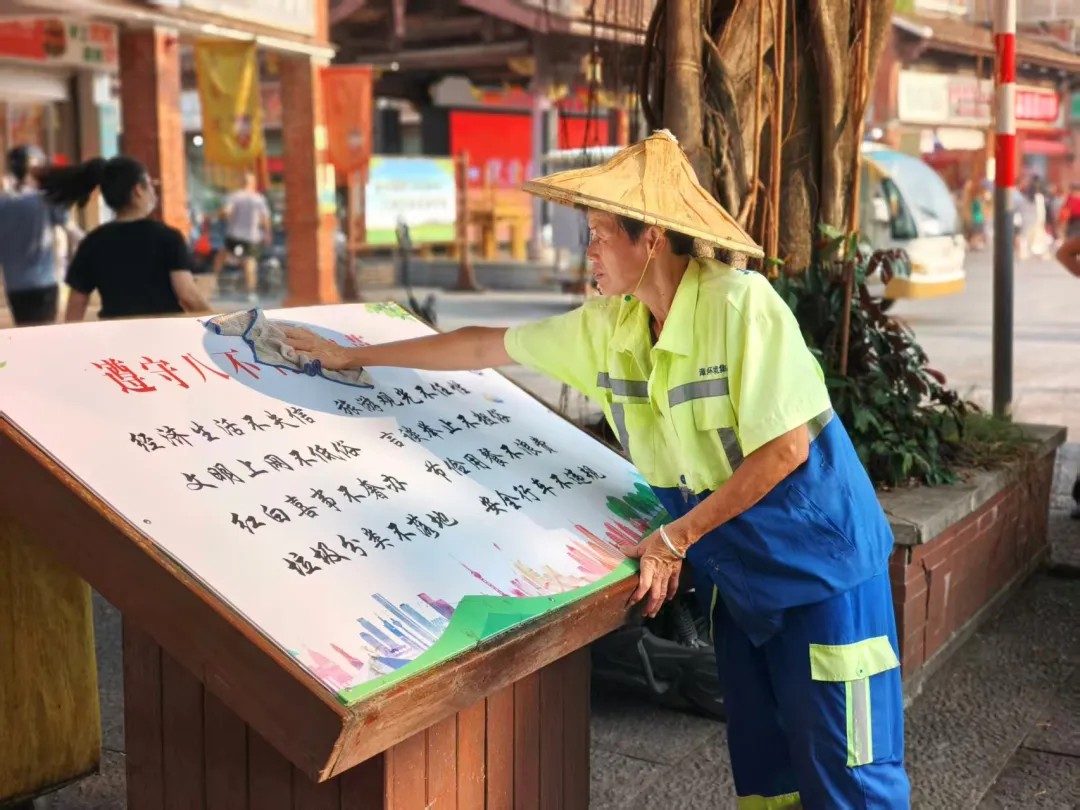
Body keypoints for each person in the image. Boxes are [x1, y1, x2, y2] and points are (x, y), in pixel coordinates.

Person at [284, 131, 910, 808]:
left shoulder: (740, 305)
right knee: (768, 777)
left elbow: (786, 450)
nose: (588, 252)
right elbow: (482, 345)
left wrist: (676, 538)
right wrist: (354, 356)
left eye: (600, 235)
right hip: (741, 582)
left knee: (850, 774)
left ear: (652, 239)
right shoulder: (608, 327)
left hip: (824, 572)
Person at [59, 156, 211, 321]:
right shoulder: (168, 237)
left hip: (114, 333)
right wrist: (220, 324)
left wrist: (72, 334)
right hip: (163, 332)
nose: (153, 191)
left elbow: (77, 302)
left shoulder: (92, 242)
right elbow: (188, 295)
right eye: (150, 185)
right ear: (138, 190)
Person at [0, 145, 85, 325]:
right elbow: (73, 232)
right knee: (45, 335)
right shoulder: (46, 200)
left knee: (25, 333)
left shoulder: (3, 204)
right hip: (44, 282)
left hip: (14, 286)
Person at [213, 171, 271, 301]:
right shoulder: (258, 198)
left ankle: (213, 283)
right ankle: (251, 293)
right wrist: (268, 234)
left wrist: (218, 215)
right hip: (251, 237)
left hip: (234, 235)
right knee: (250, 262)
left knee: (221, 257)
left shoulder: (235, 196)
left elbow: (226, 211)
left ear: (241, 183)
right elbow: (265, 218)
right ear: (253, 183)